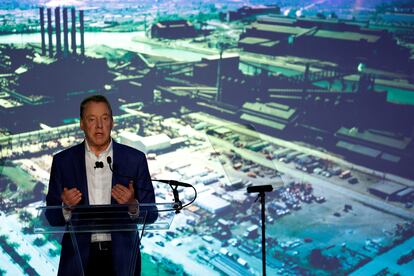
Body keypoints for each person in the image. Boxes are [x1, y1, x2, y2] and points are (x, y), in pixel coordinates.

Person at [46, 95, 156, 276]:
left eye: (105, 118)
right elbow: (51, 216)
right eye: (92, 119)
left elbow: (151, 214)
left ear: (112, 122)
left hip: (122, 259)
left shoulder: (134, 160)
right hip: (78, 259)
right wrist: (65, 207)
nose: (99, 125)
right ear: (82, 123)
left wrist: (133, 205)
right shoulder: (63, 162)